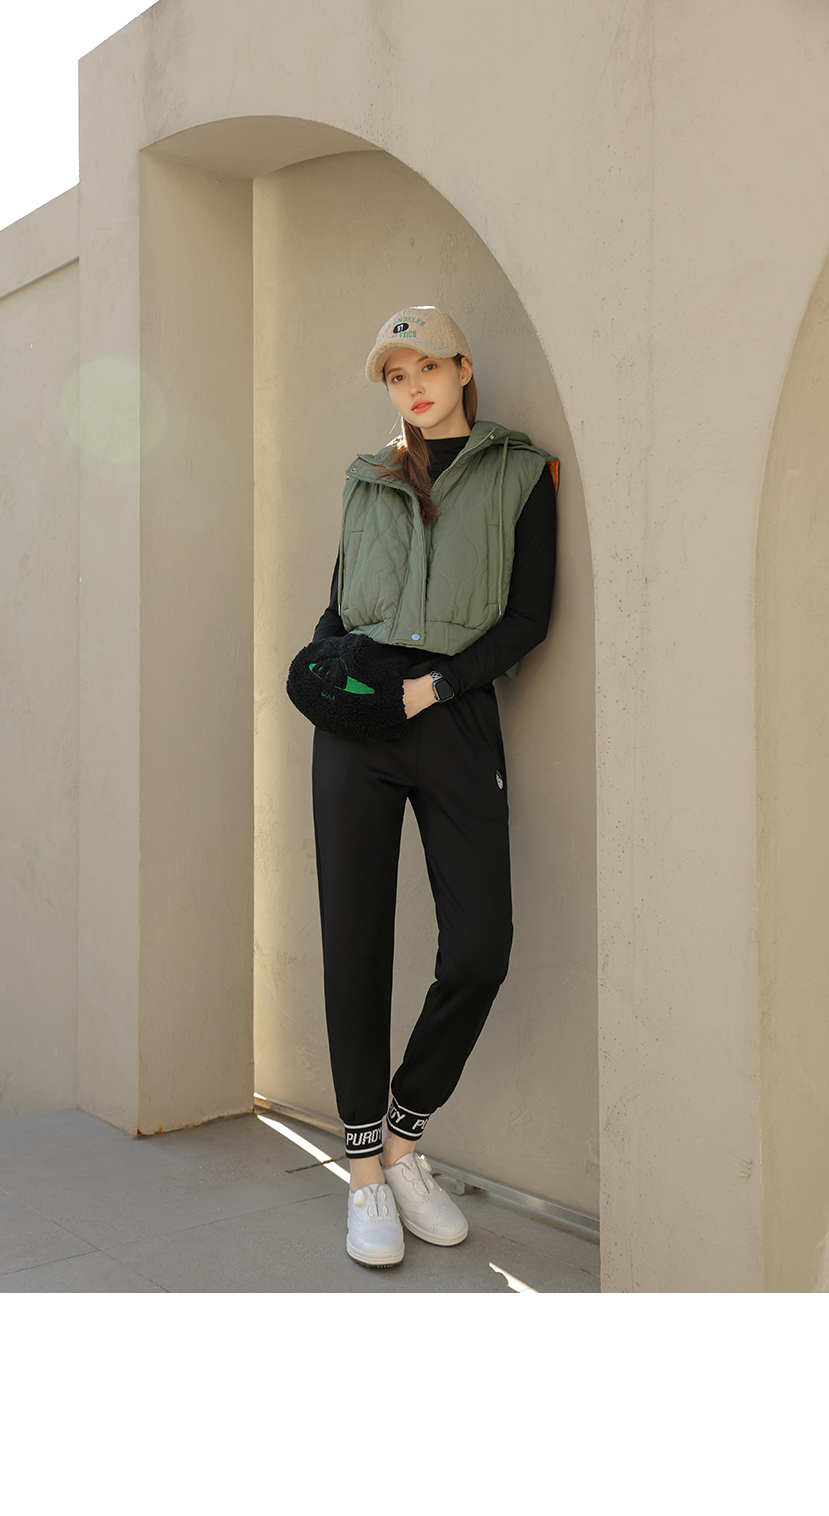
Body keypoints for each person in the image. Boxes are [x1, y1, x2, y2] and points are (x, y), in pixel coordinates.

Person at [308, 306, 558, 1267]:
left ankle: (406, 1133)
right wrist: (325, 677)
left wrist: (437, 687)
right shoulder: (368, 478)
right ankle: (364, 1169)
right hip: (359, 725)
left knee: (481, 946)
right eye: (394, 374)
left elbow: (528, 617)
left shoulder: (521, 473)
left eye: (426, 367)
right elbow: (340, 610)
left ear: (461, 368)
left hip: (452, 718)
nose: (412, 387)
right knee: (355, 943)